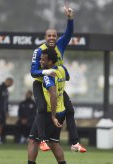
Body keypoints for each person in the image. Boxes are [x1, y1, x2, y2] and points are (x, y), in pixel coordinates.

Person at [30, 4, 86, 152]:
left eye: (54, 35)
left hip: (55, 85)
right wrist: (46, 72)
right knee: (42, 108)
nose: (52, 38)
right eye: (49, 36)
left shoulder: (60, 45)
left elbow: (69, 33)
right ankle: (42, 141)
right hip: (41, 84)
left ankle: (75, 143)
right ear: (45, 37)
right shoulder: (38, 51)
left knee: (70, 110)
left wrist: (70, 18)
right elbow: (33, 72)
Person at [13, 48, 73, 164]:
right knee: (54, 142)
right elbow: (67, 78)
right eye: (40, 59)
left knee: (33, 140)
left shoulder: (47, 75)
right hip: (61, 110)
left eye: (43, 60)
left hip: (49, 112)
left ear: (50, 62)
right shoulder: (62, 69)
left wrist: (52, 116)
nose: (40, 61)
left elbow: (52, 93)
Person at [0, 77, 13, 145]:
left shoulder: (6, 90)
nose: (11, 85)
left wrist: (6, 111)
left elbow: (6, 102)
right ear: (7, 81)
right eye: (11, 83)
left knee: (1, 124)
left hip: (3, 112)